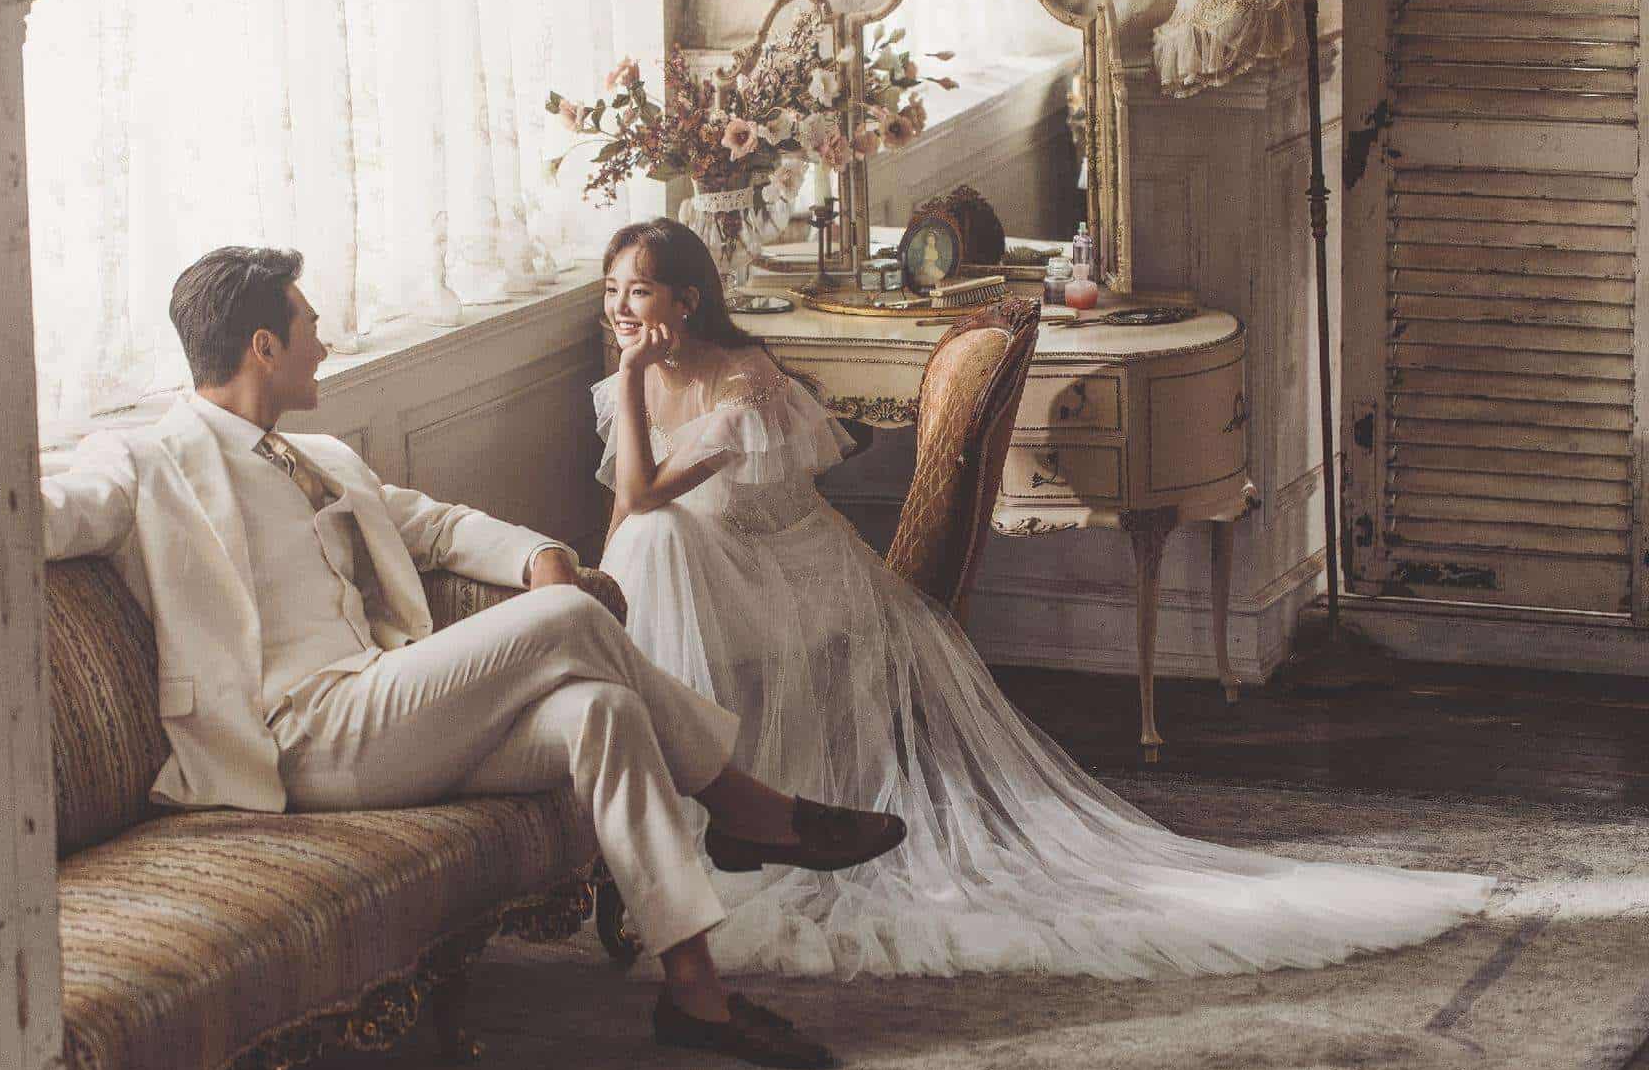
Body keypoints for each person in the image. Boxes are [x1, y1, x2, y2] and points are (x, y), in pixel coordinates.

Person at [40, 245, 906, 1069]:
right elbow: (44, 514)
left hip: (382, 709)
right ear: (263, 347)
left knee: (602, 712)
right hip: (296, 737)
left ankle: (696, 997)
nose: (325, 345)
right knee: (569, 620)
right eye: (310, 326)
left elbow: (439, 526)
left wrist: (539, 556)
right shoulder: (146, 461)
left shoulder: (323, 457)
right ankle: (745, 803)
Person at [595, 217, 1495, 980]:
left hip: (794, 579)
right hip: (715, 572)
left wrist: (632, 379)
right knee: (652, 543)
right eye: (611, 292)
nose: (622, 308)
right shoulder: (640, 378)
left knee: (660, 535)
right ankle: (670, 807)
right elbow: (626, 516)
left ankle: (674, 813)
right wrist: (602, 589)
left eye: (640, 291)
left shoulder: (744, 379)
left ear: (687, 299)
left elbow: (639, 496)